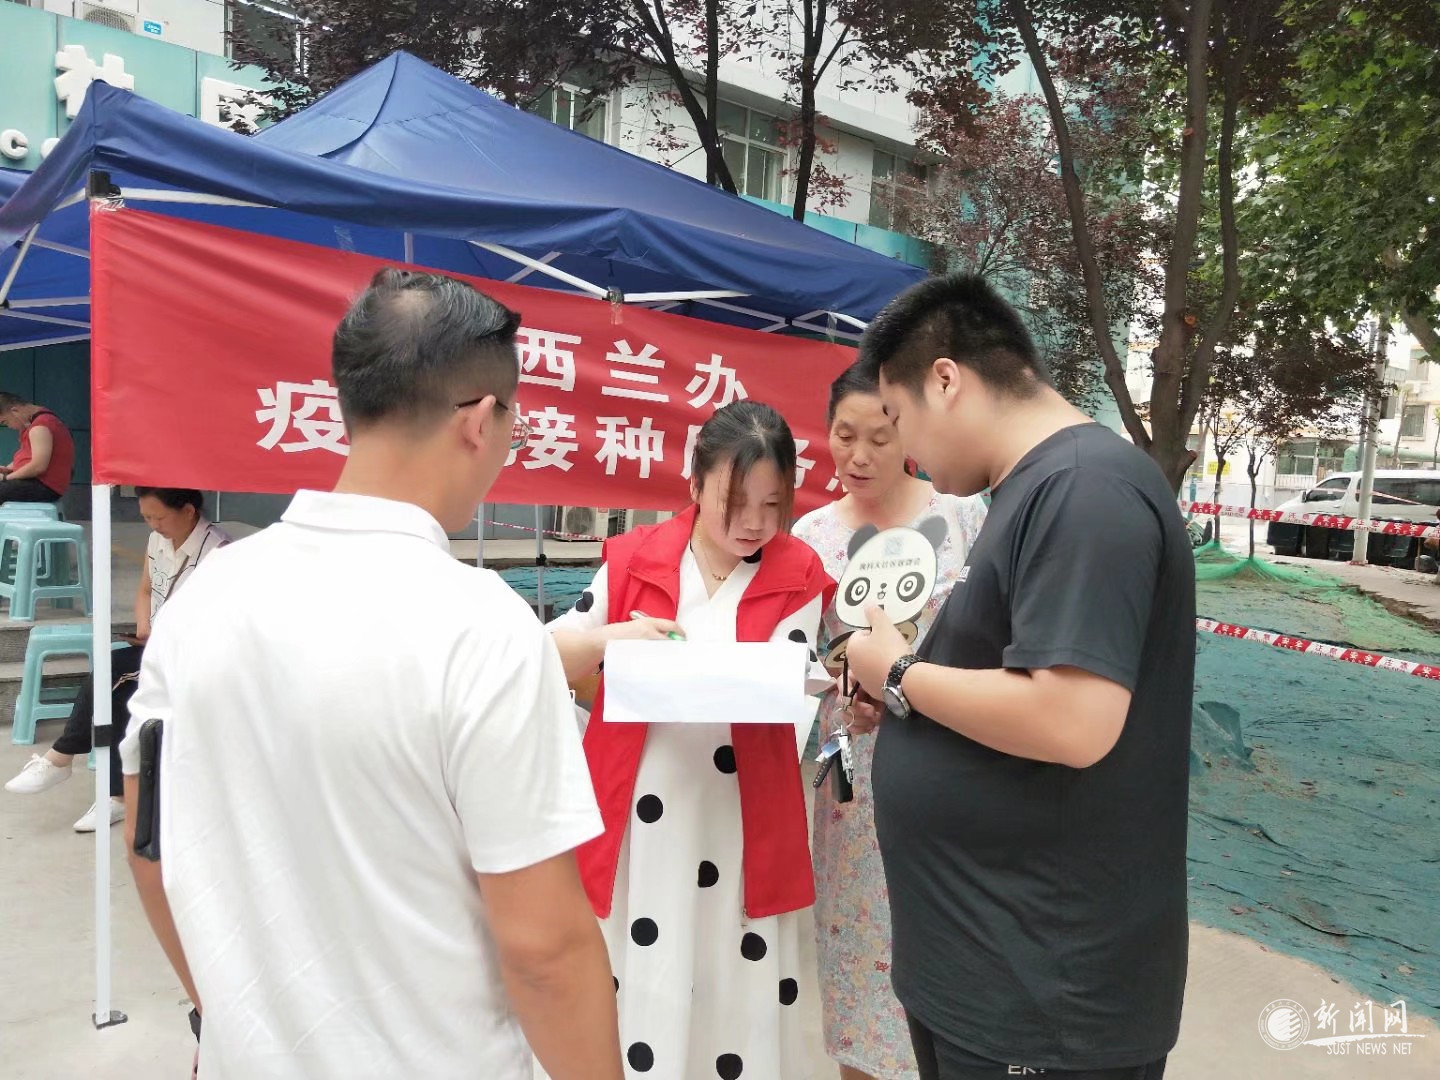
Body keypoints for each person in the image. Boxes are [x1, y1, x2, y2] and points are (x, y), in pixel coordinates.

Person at [118, 269, 622, 1080]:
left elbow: (149, 851)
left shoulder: (200, 601)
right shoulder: (483, 627)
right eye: (515, 423)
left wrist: (235, 1021)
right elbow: (544, 951)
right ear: (480, 420)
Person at [845, 274, 1194, 1080]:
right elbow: (1005, 683)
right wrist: (906, 698)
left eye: (897, 419)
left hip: (1044, 995)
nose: (906, 451)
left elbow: (1071, 719)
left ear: (945, 379)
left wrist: (897, 670)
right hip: (985, 971)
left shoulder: (1083, 490)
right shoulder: (1031, 488)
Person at [549, 399, 834, 1080]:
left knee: (729, 977)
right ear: (695, 481)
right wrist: (612, 639)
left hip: (740, 819)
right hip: (637, 818)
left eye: (772, 504)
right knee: (639, 970)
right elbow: (545, 653)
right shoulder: (634, 559)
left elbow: (794, 690)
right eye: (735, 502)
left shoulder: (800, 572)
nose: (753, 523)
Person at [792, 364, 987, 1080]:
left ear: (908, 431)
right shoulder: (810, 536)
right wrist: (842, 685)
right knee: (857, 957)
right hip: (852, 775)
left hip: (952, 763)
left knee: (953, 960)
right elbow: (799, 658)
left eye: (879, 437)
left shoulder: (962, 518)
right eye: (845, 436)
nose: (860, 455)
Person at [5, 488, 229, 832]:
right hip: (157, 646)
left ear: (188, 511)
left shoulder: (219, 552)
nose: (153, 525)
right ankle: (118, 796)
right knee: (123, 688)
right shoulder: (158, 540)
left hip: (196, 657)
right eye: (146, 517)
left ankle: (62, 756)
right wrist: (143, 625)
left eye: (158, 517)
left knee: (115, 669)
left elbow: (222, 624)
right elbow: (145, 590)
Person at [0, 392, 75, 504]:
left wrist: (6, 478)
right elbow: (28, 455)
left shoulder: (40, 427)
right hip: (38, 482)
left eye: (5, 422)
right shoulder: (39, 420)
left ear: (15, 411)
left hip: (44, 486)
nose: (9, 426)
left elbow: (38, 467)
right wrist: (7, 469)